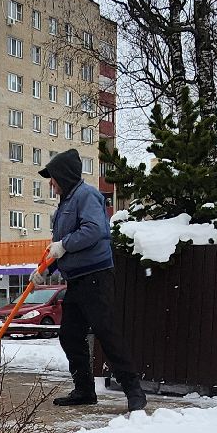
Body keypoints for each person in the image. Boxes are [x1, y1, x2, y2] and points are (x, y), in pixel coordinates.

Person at [37, 148, 145, 412]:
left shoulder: (86, 195)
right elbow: (59, 246)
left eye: (52, 177)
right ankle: (84, 390)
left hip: (95, 276)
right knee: (70, 335)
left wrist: (63, 246)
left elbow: (94, 230)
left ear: (64, 175)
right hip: (76, 279)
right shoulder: (66, 203)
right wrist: (45, 269)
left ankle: (134, 392)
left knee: (107, 334)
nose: (50, 183)